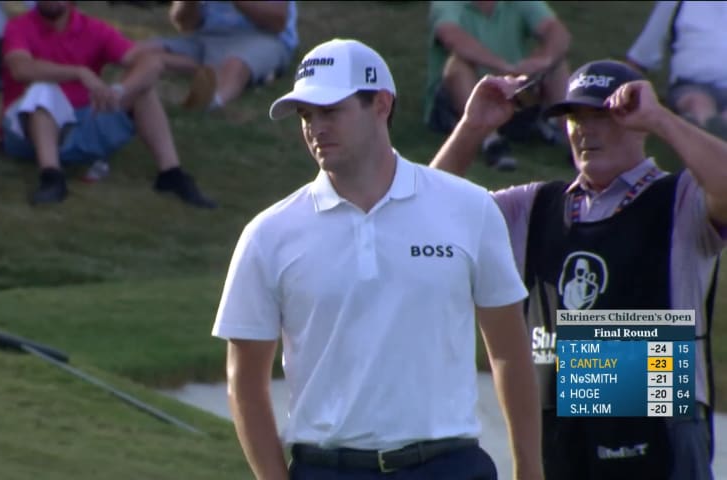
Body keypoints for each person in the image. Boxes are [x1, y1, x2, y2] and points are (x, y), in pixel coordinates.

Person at [212, 38, 544, 480]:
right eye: (306, 115)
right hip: (327, 469)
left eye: (331, 111)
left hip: (450, 466)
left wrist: (529, 469)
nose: (315, 128)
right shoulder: (267, 235)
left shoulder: (470, 208)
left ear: (381, 104)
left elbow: (507, 351)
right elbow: (245, 380)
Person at [429, 59, 727, 479]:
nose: (584, 129)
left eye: (600, 115)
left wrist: (661, 118)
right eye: (573, 117)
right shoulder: (533, 206)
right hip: (560, 434)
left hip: (658, 435)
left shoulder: (680, 199)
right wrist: (473, 126)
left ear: (637, 123)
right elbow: (422, 218)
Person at [0, 1, 215, 208]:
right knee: (42, 92)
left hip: (81, 123)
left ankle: (171, 173)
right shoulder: (19, 26)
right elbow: (21, 69)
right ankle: (51, 176)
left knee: (143, 91)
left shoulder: (93, 29)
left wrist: (119, 91)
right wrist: (79, 72)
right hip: (26, 134)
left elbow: (149, 61)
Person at [424, 0, 571, 171]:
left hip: (512, 93)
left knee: (556, 64)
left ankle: (572, 136)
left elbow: (556, 31)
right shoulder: (448, 4)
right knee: (456, 66)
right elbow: (451, 36)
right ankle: (491, 143)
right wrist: (503, 66)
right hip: (457, 105)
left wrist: (542, 60)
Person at [148, 1, 298, 110]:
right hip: (208, 36)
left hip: (262, 37)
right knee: (143, 51)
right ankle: (206, 69)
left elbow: (277, 21)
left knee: (235, 64)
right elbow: (185, 24)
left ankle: (214, 101)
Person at [626, 1, 727, 137]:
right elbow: (643, 53)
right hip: (691, 86)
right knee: (697, 104)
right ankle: (709, 133)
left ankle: (710, 136)